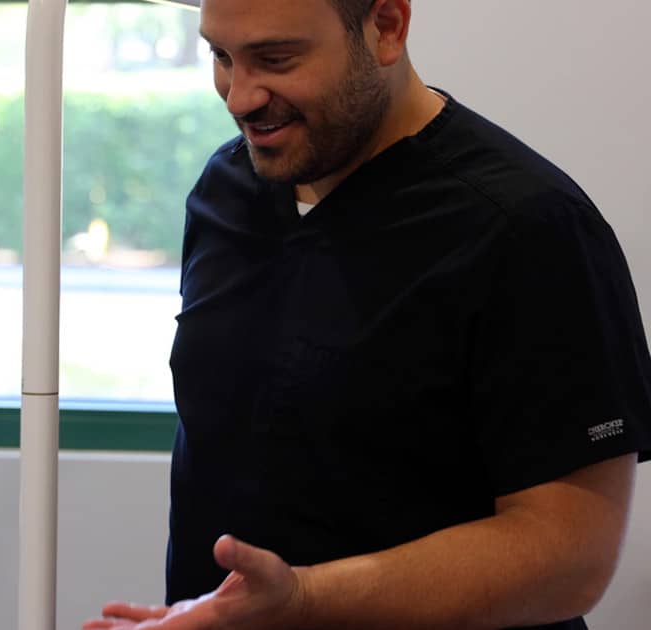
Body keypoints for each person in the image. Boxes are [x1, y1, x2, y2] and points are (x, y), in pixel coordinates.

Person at [84, 0, 651, 628]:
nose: (239, 97)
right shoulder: (227, 189)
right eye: (221, 56)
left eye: (275, 59)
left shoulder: (526, 228)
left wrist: (303, 600)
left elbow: (571, 556)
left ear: (386, 27)